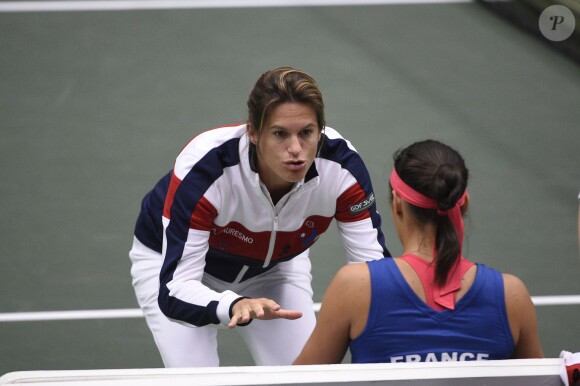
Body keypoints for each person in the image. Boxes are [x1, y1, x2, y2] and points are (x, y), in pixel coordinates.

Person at [129, 66, 391, 367]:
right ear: (253, 132)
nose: (296, 150)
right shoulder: (205, 169)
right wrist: (234, 304)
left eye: (307, 133)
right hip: (176, 267)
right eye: (280, 134)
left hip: (273, 271)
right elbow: (175, 290)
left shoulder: (343, 169)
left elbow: (373, 274)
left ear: (320, 129)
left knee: (306, 379)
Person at [293, 139, 543, 365]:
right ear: (464, 203)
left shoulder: (355, 287)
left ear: (397, 203)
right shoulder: (512, 296)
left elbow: (299, 384)